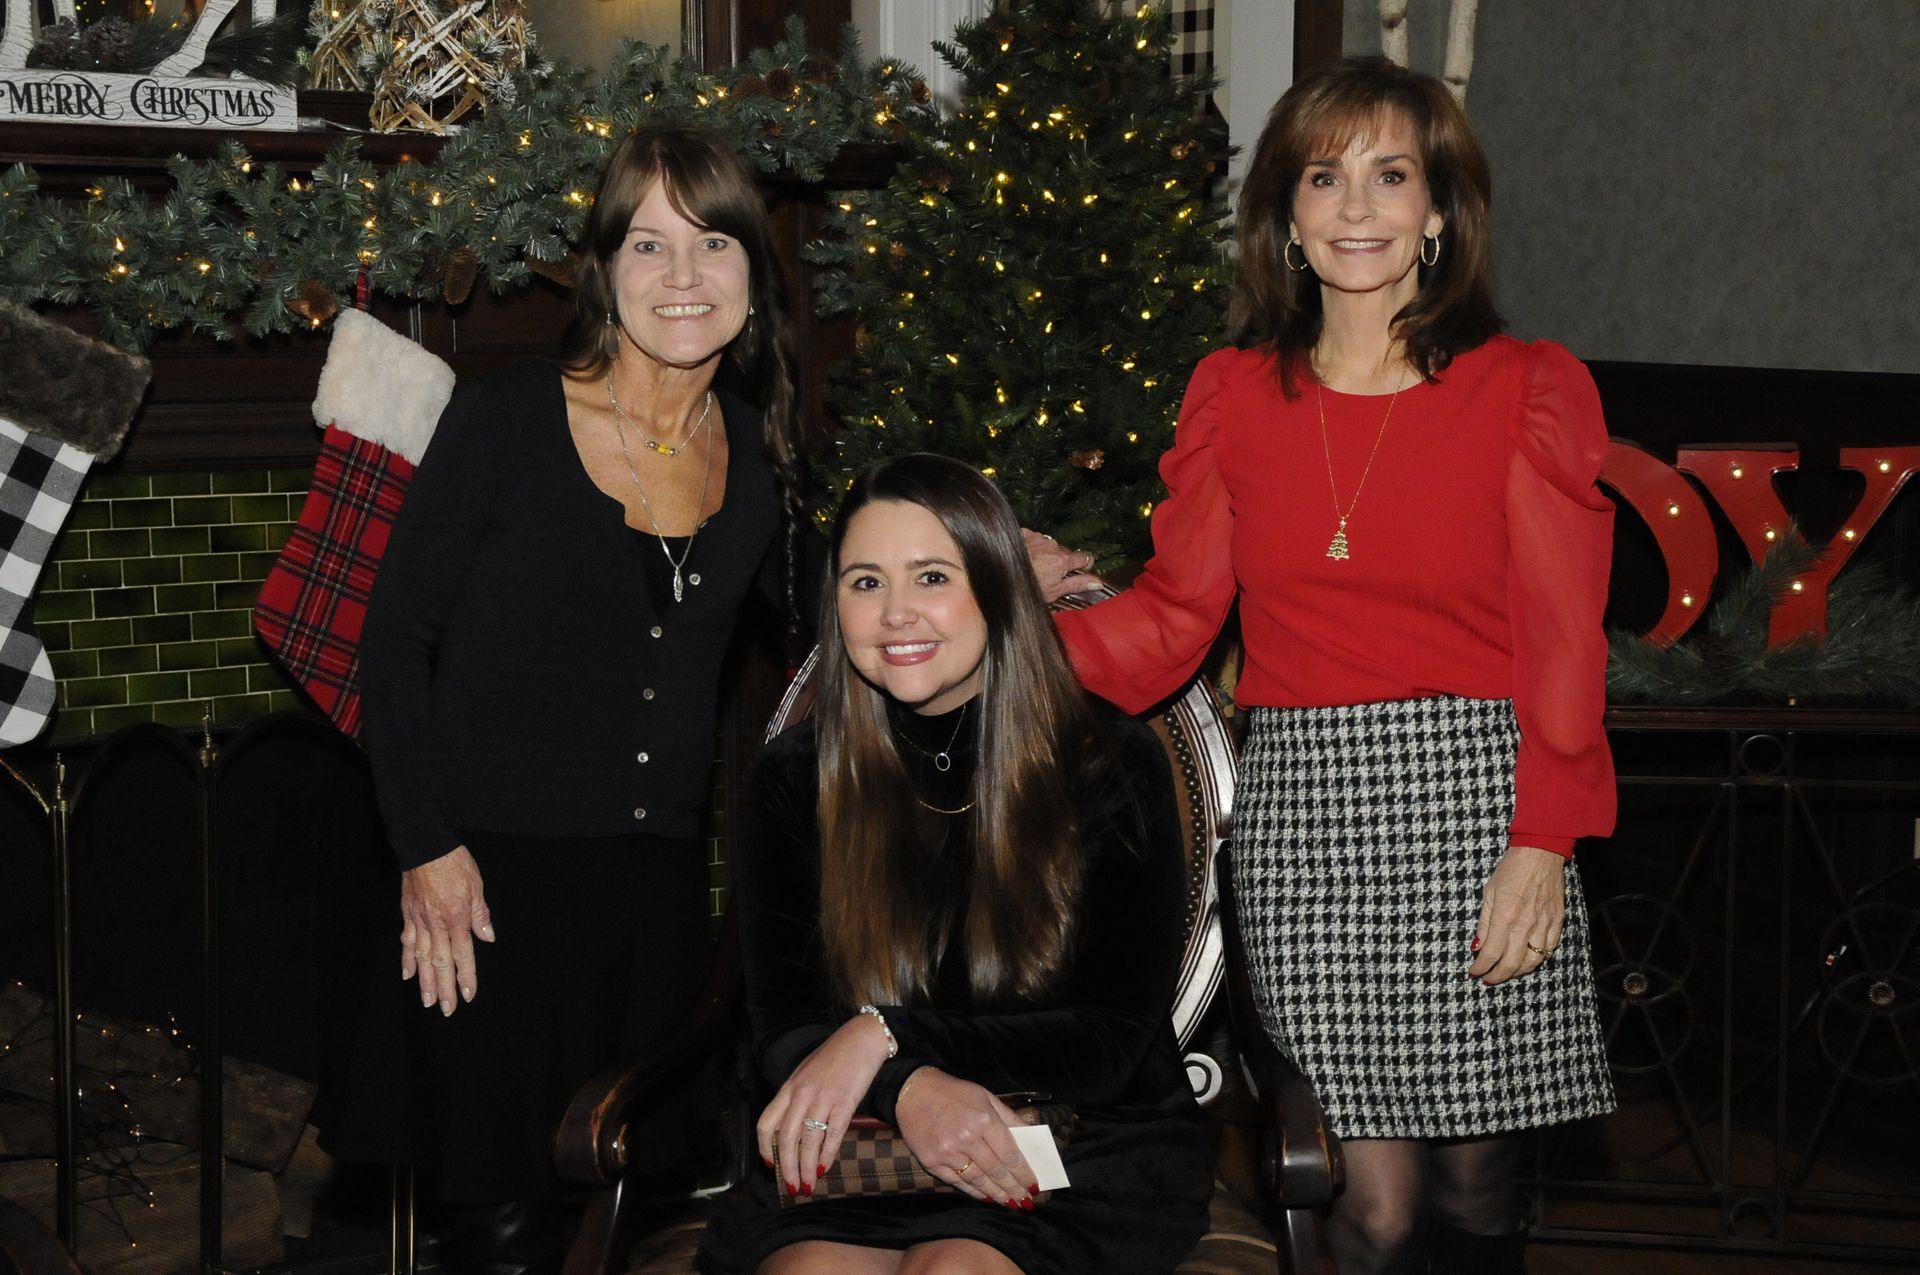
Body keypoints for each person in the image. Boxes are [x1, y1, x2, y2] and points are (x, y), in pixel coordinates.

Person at [1035, 56, 1618, 1274]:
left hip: (1480, 806)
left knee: (1473, 1191)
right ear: (1287, 217)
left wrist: (1544, 838)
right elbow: (1169, 625)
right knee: (1372, 1204)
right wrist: (999, 633)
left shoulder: (1527, 389)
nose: (1357, 206)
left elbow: (1564, 641)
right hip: (1310, 817)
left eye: (1391, 176)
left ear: (1440, 212)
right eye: (1324, 176)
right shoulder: (1233, 395)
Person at [356, 126, 805, 1273]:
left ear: (754, 277)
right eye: (648, 246)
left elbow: (842, 613)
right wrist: (425, 848)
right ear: (605, 272)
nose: (684, 278)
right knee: (502, 1225)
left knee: (625, 1219)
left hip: (649, 901)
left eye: (712, 245)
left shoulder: (754, 454)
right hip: (484, 895)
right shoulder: (508, 422)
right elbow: (392, 638)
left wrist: (1004, 565)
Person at [699, 454, 1213, 1274]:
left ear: (999, 589)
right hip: (863, 1141)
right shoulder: (797, 777)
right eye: (865, 582)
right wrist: (907, 1083)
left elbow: (1109, 1039)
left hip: (1074, 1140)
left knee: (958, 1268)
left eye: (931, 576)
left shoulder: (1106, 761)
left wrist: (886, 1032)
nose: (896, 614)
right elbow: (786, 1031)